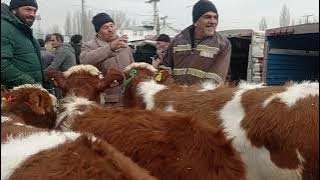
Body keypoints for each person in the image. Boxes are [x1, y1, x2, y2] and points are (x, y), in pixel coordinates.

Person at [159, 0, 231, 85]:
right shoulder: (177, 40)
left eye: (215, 17)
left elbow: (216, 78)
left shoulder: (223, 44)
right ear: (195, 21)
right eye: (207, 17)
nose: (213, 22)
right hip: (175, 96)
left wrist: (192, 95)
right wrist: (168, 84)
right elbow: (164, 67)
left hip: (202, 97)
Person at [80, 12, 134, 107]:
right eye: (105, 27)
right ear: (98, 31)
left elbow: (132, 69)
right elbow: (85, 60)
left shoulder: (124, 46)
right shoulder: (89, 46)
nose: (110, 30)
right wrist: (110, 48)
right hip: (105, 102)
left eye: (112, 26)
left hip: (128, 99)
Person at [1, 0, 45, 89]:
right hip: (17, 96)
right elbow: (2, 65)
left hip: (30, 93)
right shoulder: (5, 28)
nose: (32, 14)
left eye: (34, 11)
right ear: (14, 10)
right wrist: (32, 84)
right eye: (27, 10)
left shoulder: (22, 30)